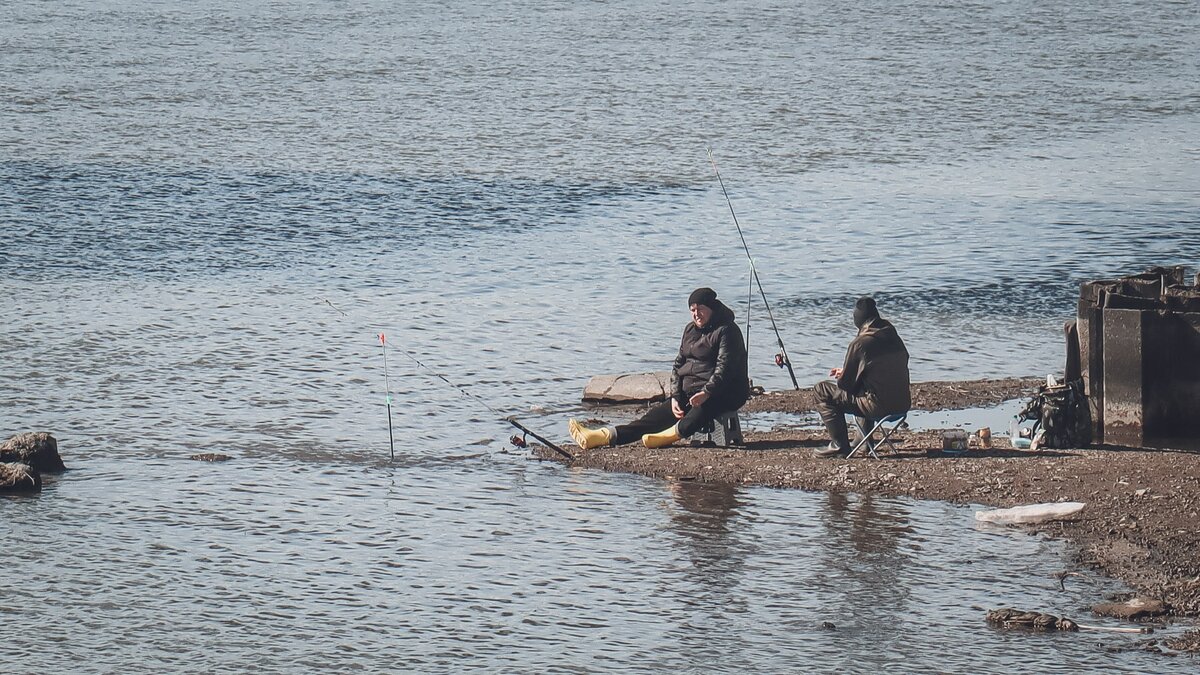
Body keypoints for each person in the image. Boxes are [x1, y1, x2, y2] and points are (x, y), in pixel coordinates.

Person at [569, 287, 750, 450]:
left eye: (700, 309)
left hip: (724, 392)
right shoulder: (690, 330)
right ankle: (601, 437)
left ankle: (665, 437)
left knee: (700, 413)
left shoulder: (727, 330)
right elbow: (678, 365)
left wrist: (706, 393)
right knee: (651, 419)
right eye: (692, 310)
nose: (696, 314)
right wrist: (675, 397)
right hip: (691, 392)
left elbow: (724, 368)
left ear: (712, 308)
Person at [813, 296, 910, 458]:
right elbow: (881, 370)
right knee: (868, 386)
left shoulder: (860, 343)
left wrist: (845, 374)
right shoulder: (893, 336)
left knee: (821, 390)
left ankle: (839, 446)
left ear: (858, 320)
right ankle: (864, 442)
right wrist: (854, 371)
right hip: (902, 404)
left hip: (879, 407)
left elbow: (847, 386)